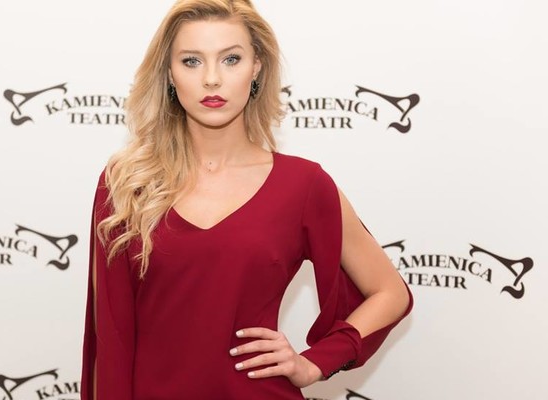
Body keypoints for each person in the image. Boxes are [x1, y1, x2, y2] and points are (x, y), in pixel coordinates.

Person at [81, 1, 412, 399]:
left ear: (256, 68)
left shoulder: (303, 186)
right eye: (191, 61)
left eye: (231, 59)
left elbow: (390, 293)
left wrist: (315, 362)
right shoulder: (127, 182)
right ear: (169, 74)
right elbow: (111, 338)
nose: (212, 79)